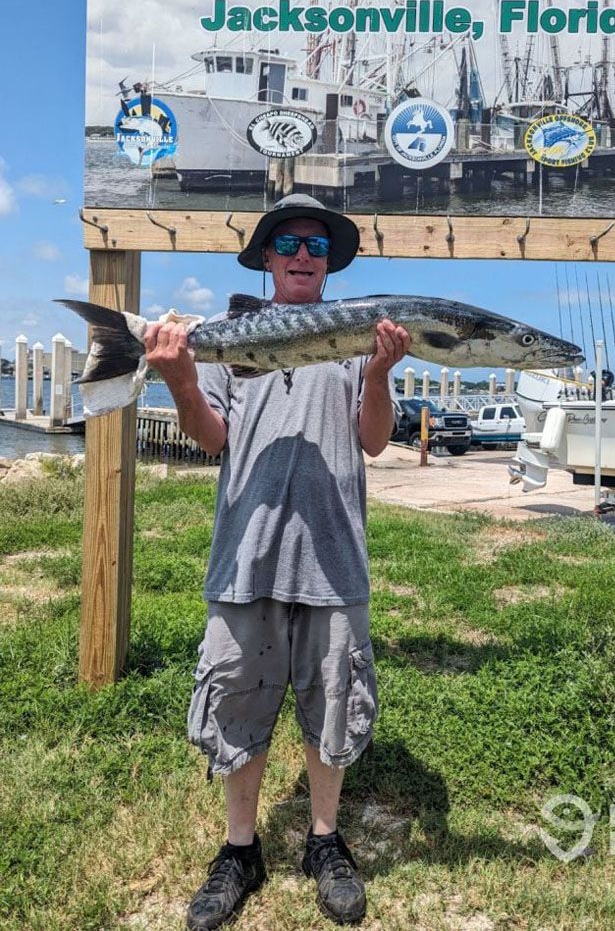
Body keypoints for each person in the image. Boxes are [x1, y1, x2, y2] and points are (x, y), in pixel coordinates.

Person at [144, 194, 411, 930]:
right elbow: (212, 438)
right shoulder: (231, 335)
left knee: (333, 702)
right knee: (236, 699)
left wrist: (383, 374)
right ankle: (240, 850)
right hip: (246, 555)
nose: (302, 254)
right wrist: (180, 381)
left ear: (329, 263)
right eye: (288, 242)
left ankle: (325, 839)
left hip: (333, 556)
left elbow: (375, 441)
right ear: (266, 258)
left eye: (317, 247)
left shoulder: (364, 335)